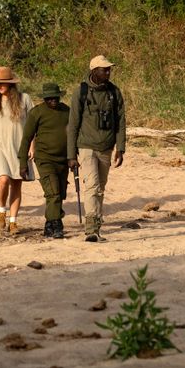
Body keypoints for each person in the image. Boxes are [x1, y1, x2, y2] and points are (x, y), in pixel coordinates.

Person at [66, 54, 125, 242]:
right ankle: (91, 229)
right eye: (104, 69)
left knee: (100, 187)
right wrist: (71, 155)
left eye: (109, 69)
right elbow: (73, 124)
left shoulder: (114, 93)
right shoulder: (81, 92)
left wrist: (121, 148)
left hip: (106, 146)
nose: (108, 72)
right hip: (86, 146)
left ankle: (97, 224)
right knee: (92, 185)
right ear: (94, 71)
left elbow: (121, 121)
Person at [0, 65, 34, 236]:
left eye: (3, 83)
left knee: (16, 183)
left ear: (11, 84)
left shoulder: (24, 99)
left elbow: (31, 124)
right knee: (3, 179)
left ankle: (13, 222)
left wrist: (32, 145)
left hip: (19, 146)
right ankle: (1, 211)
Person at [20, 81, 71, 239]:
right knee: (53, 191)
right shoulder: (36, 113)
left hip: (64, 159)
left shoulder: (67, 111)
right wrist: (23, 163)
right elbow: (26, 138)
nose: (53, 100)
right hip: (44, 158)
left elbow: (74, 134)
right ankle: (56, 224)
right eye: (49, 98)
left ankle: (49, 225)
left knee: (60, 192)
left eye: (55, 97)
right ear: (44, 98)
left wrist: (74, 157)